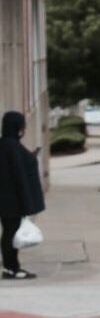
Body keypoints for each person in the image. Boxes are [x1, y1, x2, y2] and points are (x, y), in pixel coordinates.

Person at [0, 110, 45, 280]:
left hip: (7, 200)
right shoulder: (12, 147)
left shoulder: (6, 144)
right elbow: (19, 176)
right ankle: (11, 268)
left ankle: (11, 267)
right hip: (12, 201)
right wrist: (27, 204)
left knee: (9, 233)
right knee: (10, 234)